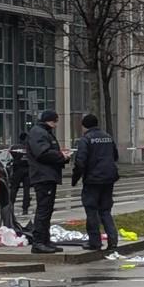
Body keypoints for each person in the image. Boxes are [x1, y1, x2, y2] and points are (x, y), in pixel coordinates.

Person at [71, 113, 120, 252]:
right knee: (105, 211)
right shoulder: (108, 137)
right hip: (108, 178)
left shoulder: (86, 139)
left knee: (91, 210)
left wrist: (75, 179)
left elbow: (80, 162)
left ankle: (95, 242)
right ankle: (113, 240)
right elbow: (115, 156)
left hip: (93, 180)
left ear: (84, 126)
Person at [26, 109, 67, 254]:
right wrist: (61, 156)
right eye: (56, 121)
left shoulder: (43, 132)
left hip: (46, 175)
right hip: (43, 176)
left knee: (47, 209)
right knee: (43, 210)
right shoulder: (40, 133)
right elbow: (42, 153)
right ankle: (39, 242)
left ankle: (44, 240)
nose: (56, 124)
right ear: (51, 120)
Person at [8, 131, 32, 218]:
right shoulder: (29, 147)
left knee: (14, 188)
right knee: (26, 190)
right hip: (27, 170)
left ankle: (11, 205)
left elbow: (10, 157)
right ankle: (25, 208)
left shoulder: (14, 147)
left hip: (17, 169)